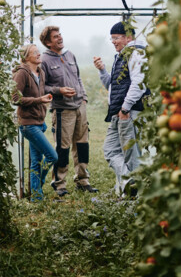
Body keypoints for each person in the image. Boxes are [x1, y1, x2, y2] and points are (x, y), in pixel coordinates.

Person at [39, 26, 98, 196]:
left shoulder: (70, 55)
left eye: (60, 35)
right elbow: (42, 87)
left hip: (80, 106)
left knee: (82, 144)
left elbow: (78, 77)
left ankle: (82, 180)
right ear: (48, 42)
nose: (60, 38)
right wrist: (59, 91)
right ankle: (59, 183)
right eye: (55, 37)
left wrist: (84, 97)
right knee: (63, 148)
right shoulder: (44, 60)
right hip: (62, 110)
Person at [93, 21, 150, 197]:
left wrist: (125, 109)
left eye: (116, 38)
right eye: (112, 39)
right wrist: (102, 71)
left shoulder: (136, 54)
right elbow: (113, 86)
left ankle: (136, 196)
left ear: (128, 37)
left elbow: (139, 84)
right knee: (111, 150)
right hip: (119, 112)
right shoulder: (123, 55)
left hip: (129, 112)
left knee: (131, 155)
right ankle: (129, 183)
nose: (113, 42)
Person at [12, 44, 57, 202]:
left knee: (36, 161)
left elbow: (42, 94)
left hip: (39, 122)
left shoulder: (41, 72)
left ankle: (36, 197)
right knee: (52, 156)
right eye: (35, 53)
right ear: (26, 57)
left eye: (39, 52)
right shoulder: (21, 73)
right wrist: (39, 100)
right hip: (28, 124)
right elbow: (15, 99)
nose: (39, 54)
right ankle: (38, 183)